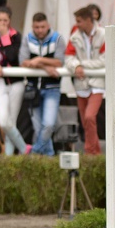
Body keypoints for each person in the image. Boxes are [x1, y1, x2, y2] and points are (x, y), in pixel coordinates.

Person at [0, 6, 29, 155]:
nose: (2, 23)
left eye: (5, 20)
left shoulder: (17, 37)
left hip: (15, 83)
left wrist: (5, 37)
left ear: (9, 21)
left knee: (11, 122)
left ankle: (8, 159)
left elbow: (13, 57)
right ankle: (23, 147)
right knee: (3, 121)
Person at [19, 12, 65, 157]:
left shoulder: (57, 38)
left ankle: (33, 152)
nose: (39, 30)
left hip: (52, 89)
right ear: (32, 26)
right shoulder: (27, 38)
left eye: (42, 27)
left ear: (48, 25)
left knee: (48, 125)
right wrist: (44, 66)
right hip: (33, 89)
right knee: (39, 128)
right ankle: (49, 158)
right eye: (37, 27)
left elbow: (59, 62)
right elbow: (24, 62)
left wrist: (38, 60)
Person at [65, 6, 105, 155]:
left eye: (79, 21)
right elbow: (68, 58)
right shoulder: (74, 35)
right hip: (81, 83)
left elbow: (105, 60)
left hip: (97, 83)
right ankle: (95, 152)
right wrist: (76, 66)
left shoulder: (104, 35)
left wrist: (81, 65)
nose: (77, 24)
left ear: (89, 20)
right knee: (85, 120)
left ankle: (91, 151)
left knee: (89, 116)